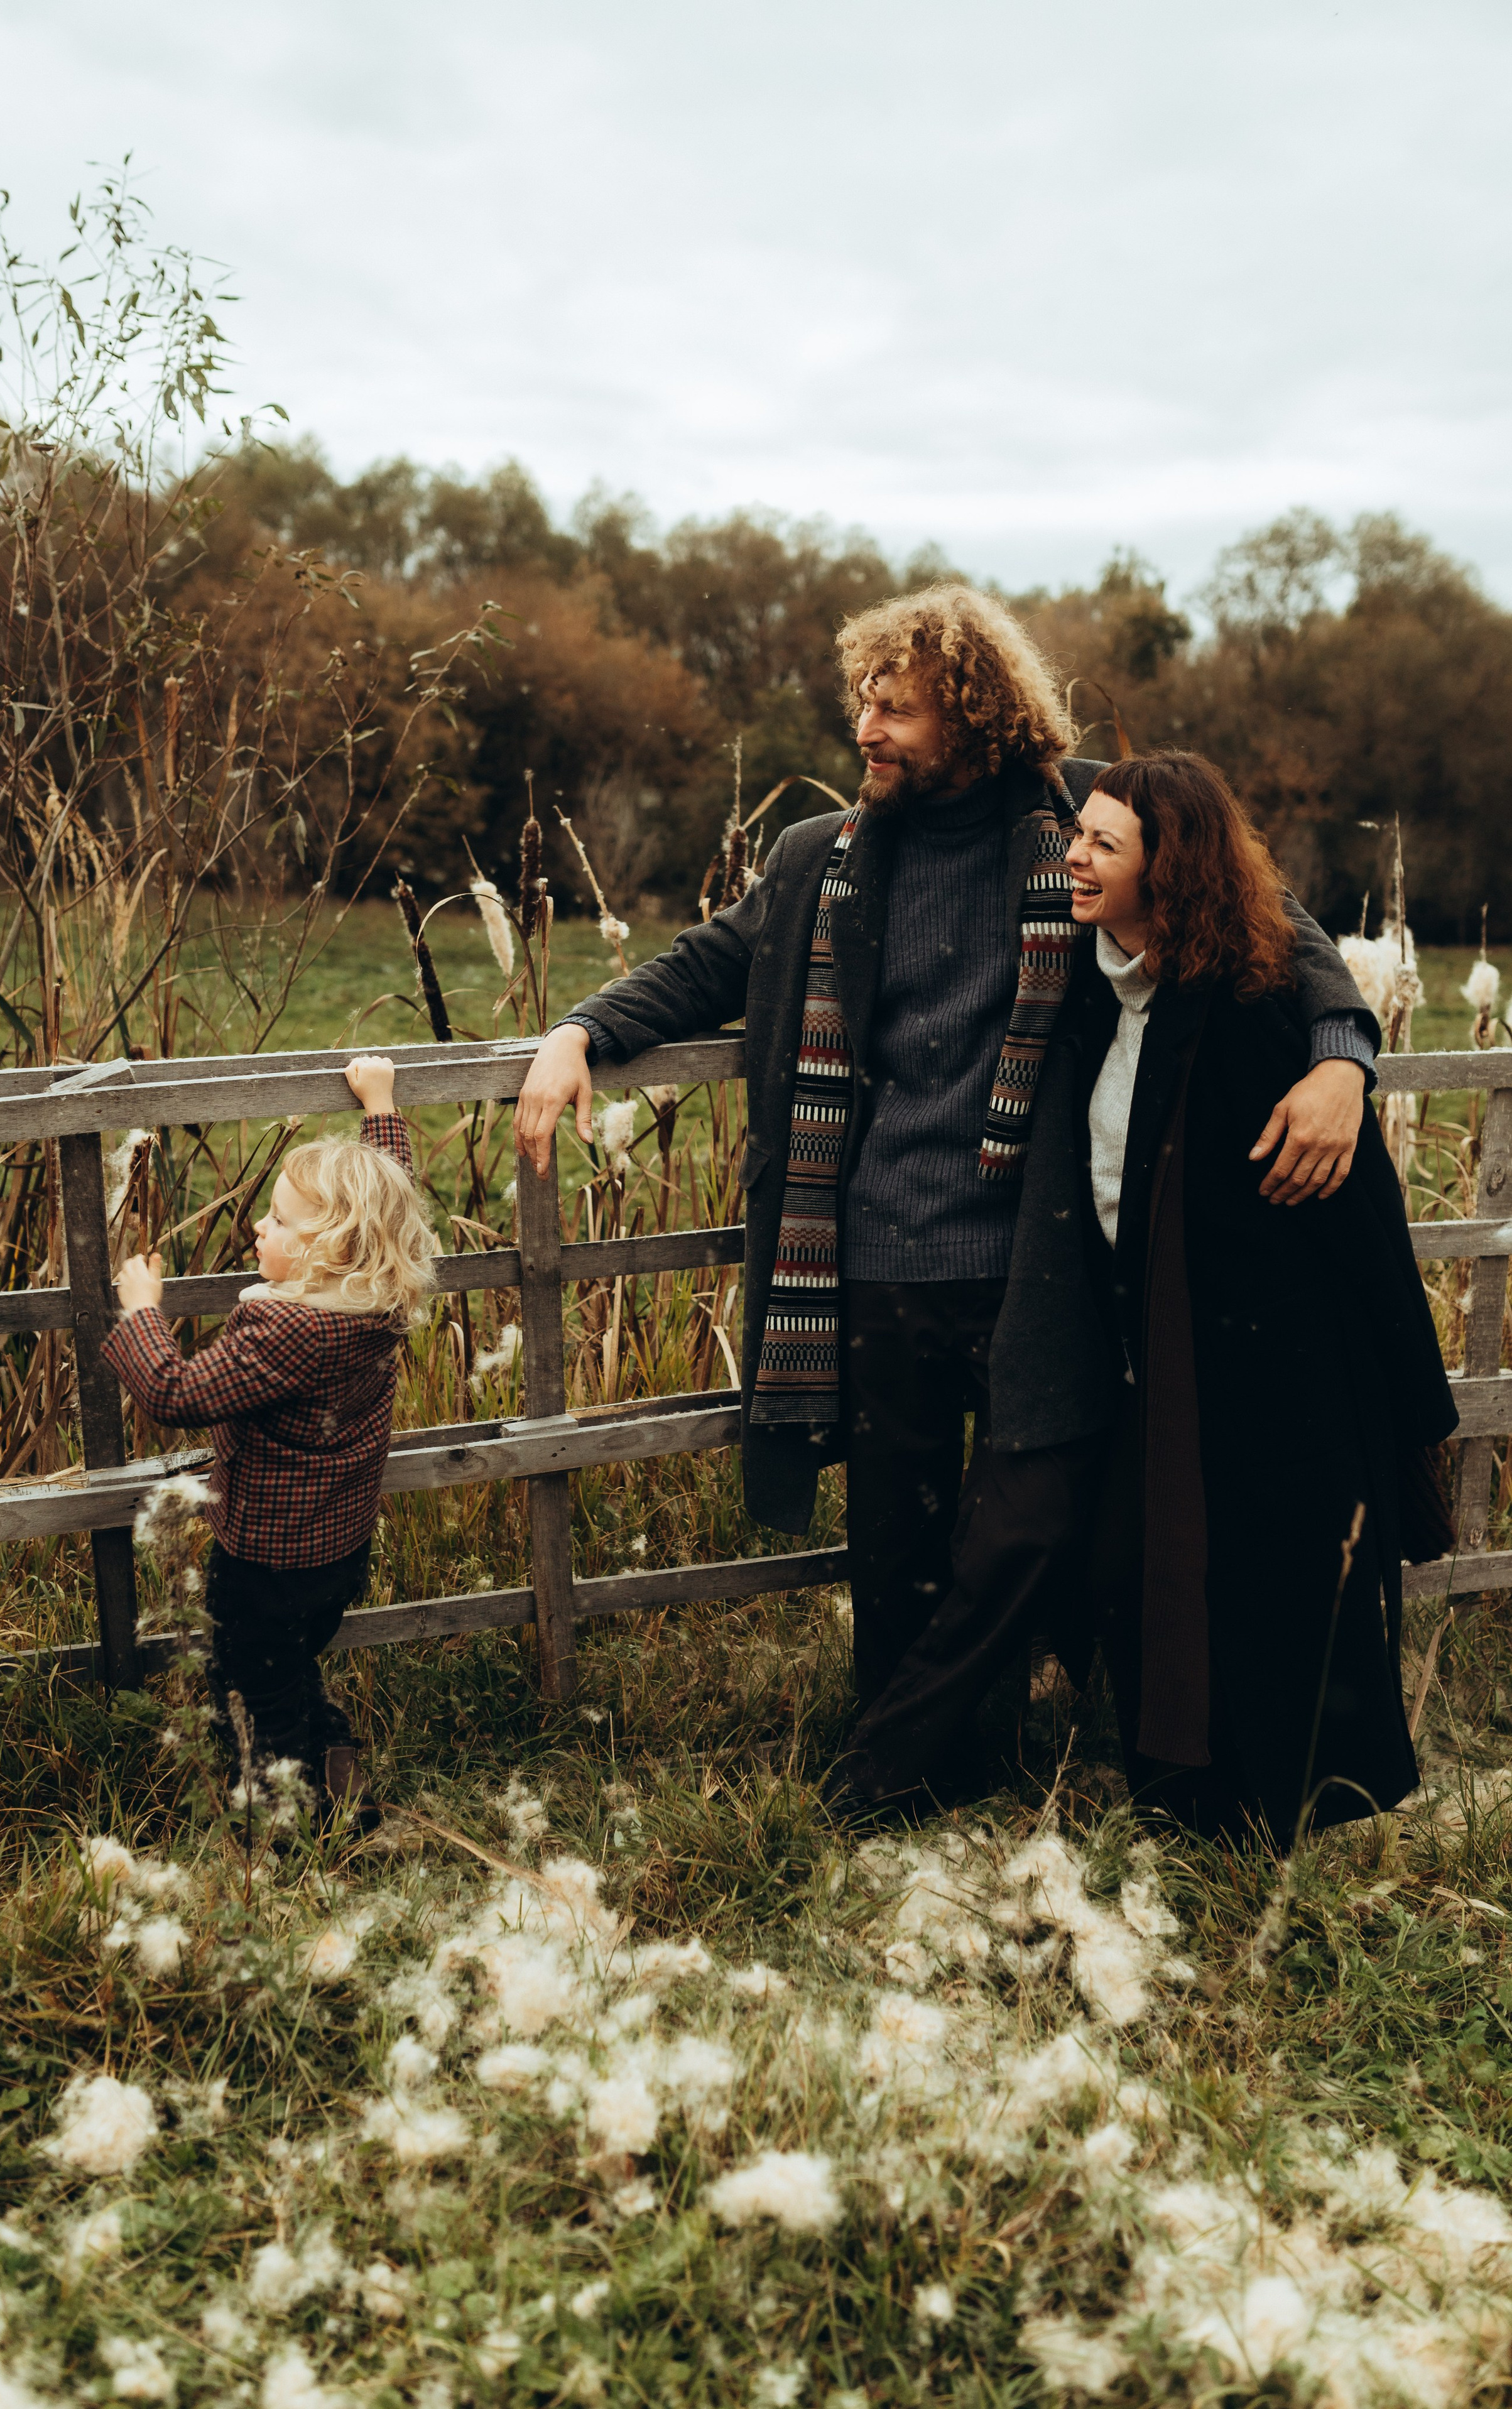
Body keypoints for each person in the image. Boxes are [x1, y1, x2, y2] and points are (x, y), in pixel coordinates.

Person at [513, 585, 1376, 1744]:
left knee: (1041, 1522)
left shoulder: (1091, 821)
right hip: (873, 1256)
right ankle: (919, 1766)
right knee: (897, 1541)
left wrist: (1341, 1060)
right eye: (863, 702)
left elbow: (1272, 918)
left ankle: (1054, 1737)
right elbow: (709, 961)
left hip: (1044, 1256)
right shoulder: (823, 855)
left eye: (896, 709)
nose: (864, 730)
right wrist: (578, 1031)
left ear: (973, 716)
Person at [839, 754, 1457, 1842]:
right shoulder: (1083, 988)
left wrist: (1345, 1063)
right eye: (1077, 834)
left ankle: (1271, 1819)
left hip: (1271, 1361)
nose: (1071, 855)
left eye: (1102, 846)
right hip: (1141, 1349)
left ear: (1170, 870)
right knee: (1132, 1565)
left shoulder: (1253, 1009)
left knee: (1270, 1583)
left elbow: (1355, 1208)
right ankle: (1177, 1798)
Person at [102, 1056, 433, 1825]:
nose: (260, 1225)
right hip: (339, 1551)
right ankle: (338, 1769)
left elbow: (173, 1392)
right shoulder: (376, 1299)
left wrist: (142, 1311)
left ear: (333, 1247)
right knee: (290, 1668)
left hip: (264, 1562)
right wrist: (380, 1107)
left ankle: (294, 1822)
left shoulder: (288, 1328)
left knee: (250, 1682)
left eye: (281, 1222)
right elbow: (391, 1194)